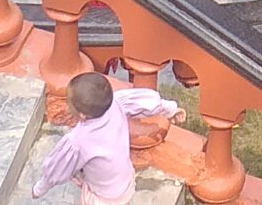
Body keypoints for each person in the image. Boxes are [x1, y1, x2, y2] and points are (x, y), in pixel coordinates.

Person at [28, 71, 184, 205]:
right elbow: (145, 102)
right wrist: (170, 109)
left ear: (82, 114)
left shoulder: (78, 140)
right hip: (125, 181)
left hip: (103, 197)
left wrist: (40, 188)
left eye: (69, 102)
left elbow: (57, 168)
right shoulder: (115, 103)